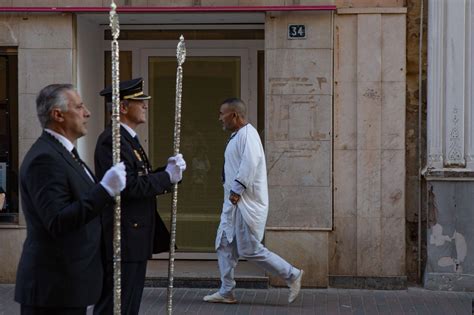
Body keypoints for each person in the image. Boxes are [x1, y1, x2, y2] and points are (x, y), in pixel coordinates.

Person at [14, 84, 126, 315]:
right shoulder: (45, 158)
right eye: (79, 106)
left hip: (70, 283)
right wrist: (104, 190)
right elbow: (57, 220)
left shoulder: (65, 153)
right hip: (54, 287)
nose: (87, 112)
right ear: (58, 114)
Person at [93, 78, 186, 315]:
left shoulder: (129, 139)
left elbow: (139, 177)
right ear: (123, 107)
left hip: (134, 235)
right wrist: (166, 177)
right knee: (117, 304)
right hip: (123, 234)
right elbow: (129, 186)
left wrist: (167, 173)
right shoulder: (112, 140)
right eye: (139, 101)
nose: (145, 105)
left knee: (129, 303)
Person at [203, 98, 304, 305]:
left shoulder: (248, 135)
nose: (219, 118)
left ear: (234, 115)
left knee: (249, 249)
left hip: (243, 203)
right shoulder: (237, 136)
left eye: (222, 113)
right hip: (232, 203)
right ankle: (226, 291)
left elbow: (250, 163)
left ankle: (292, 274)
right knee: (224, 244)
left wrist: (237, 190)